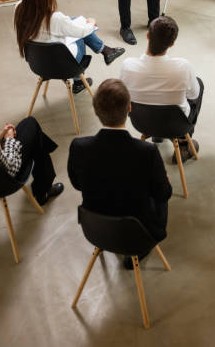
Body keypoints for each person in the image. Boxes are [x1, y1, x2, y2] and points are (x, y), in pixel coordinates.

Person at [67, 78, 172, 269]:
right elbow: (163, 194)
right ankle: (139, 250)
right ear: (130, 108)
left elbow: (77, 184)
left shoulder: (79, 147)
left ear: (95, 111)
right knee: (159, 189)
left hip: (95, 229)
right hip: (139, 233)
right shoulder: (146, 152)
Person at [14, 0, 125, 94]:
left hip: (38, 63)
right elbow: (82, 32)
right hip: (61, 65)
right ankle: (79, 80)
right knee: (82, 33)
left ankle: (105, 51)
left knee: (72, 21)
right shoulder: (55, 18)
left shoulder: (18, 8)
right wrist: (91, 22)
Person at [120, 15, 204, 164]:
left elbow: (124, 97)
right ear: (172, 44)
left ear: (147, 35)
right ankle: (184, 143)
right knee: (198, 85)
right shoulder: (183, 67)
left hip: (141, 122)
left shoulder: (127, 65)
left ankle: (157, 134)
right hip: (176, 125)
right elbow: (194, 95)